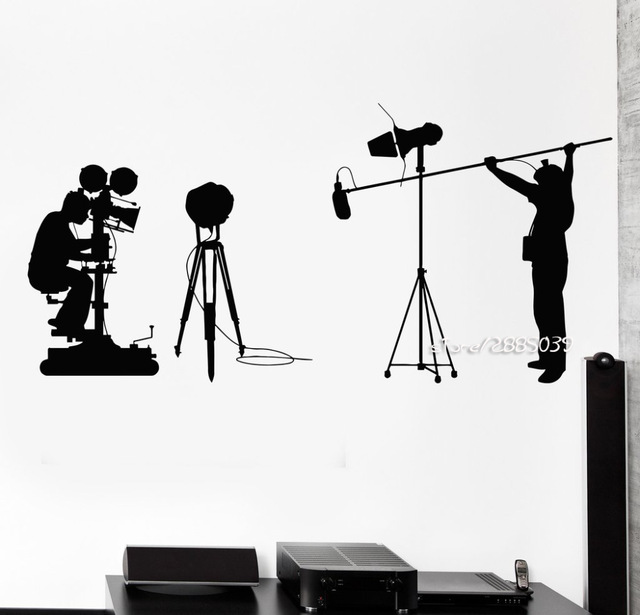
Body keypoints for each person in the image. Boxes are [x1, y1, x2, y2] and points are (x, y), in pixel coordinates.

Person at [484, 143, 576, 383]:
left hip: (550, 260)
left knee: (550, 313)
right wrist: (569, 156)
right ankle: (548, 358)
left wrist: (495, 170)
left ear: (548, 181)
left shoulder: (549, 195)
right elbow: (567, 175)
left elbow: (516, 183)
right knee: (544, 312)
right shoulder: (560, 191)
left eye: (540, 180)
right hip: (547, 259)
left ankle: (555, 364)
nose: (536, 184)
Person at [28, 191, 97, 336]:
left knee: (83, 281)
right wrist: (95, 243)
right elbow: (72, 248)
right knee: (84, 282)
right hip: (44, 272)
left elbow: (70, 250)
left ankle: (65, 320)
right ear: (75, 209)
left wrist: (90, 255)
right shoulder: (56, 220)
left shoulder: (58, 220)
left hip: (49, 271)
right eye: (84, 211)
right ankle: (70, 323)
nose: (86, 216)